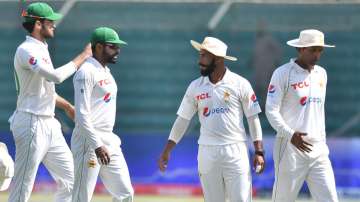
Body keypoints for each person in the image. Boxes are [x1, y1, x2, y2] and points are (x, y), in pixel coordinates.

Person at [158, 37, 265, 202]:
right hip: (207, 152)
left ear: (218, 59)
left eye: (204, 56)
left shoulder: (240, 83)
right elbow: (182, 120)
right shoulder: (195, 86)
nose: (199, 61)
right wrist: (167, 150)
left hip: (235, 150)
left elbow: (253, 118)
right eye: (200, 55)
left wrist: (258, 151)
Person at [8, 2, 91, 202]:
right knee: (22, 189)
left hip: (49, 124)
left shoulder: (41, 49)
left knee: (73, 181)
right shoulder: (26, 50)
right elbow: (55, 77)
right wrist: (84, 56)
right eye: (50, 21)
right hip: (30, 123)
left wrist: (68, 106)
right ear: (37, 24)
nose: (54, 24)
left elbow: (44, 92)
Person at [265, 29, 339, 202]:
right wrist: (290, 135)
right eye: (313, 50)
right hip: (290, 149)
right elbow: (271, 110)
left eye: (320, 50)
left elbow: (317, 114)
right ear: (300, 49)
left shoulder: (322, 74)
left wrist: (321, 142)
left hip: (318, 150)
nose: (317, 54)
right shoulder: (283, 73)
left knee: (330, 199)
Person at [71, 27, 134, 202]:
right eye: (112, 46)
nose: (118, 50)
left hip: (109, 140)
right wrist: (97, 146)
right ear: (98, 47)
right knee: (81, 198)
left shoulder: (105, 71)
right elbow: (82, 116)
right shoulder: (85, 72)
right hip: (89, 142)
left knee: (125, 193)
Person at [250, 20, 282, 108]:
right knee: (257, 87)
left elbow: (278, 50)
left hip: (267, 68)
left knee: (265, 89)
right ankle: (257, 106)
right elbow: (256, 53)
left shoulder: (269, 39)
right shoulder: (257, 39)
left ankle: (265, 106)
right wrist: (251, 61)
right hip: (258, 68)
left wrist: (276, 62)